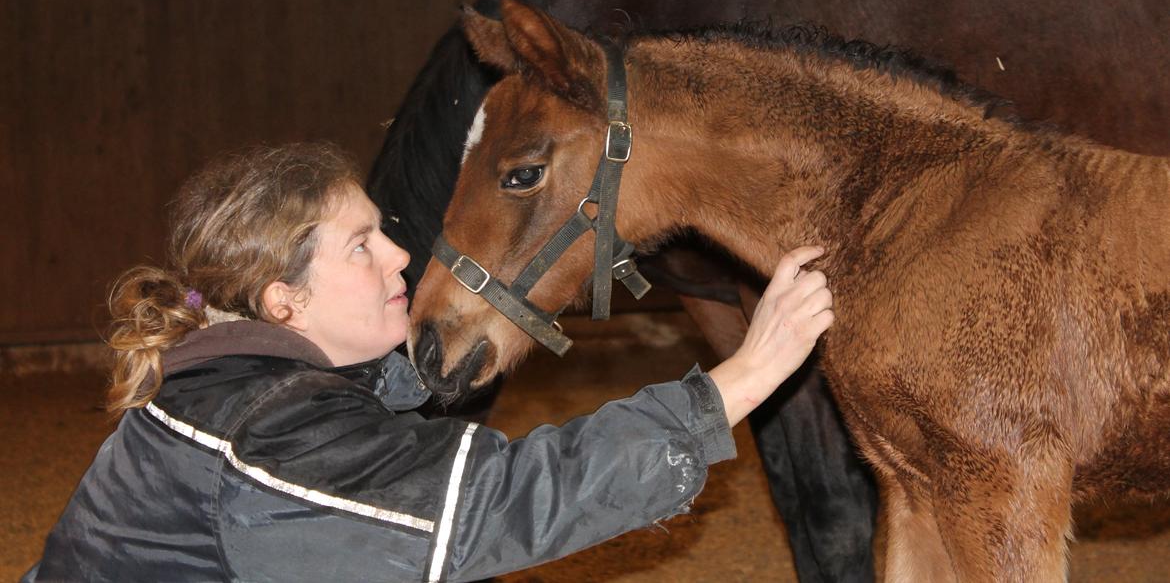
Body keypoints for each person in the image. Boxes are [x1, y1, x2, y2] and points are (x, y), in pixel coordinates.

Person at [23, 141, 834, 582]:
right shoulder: (270, 431)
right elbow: (503, 503)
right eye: (361, 246)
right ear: (284, 302)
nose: (399, 254)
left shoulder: (214, 377)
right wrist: (749, 373)